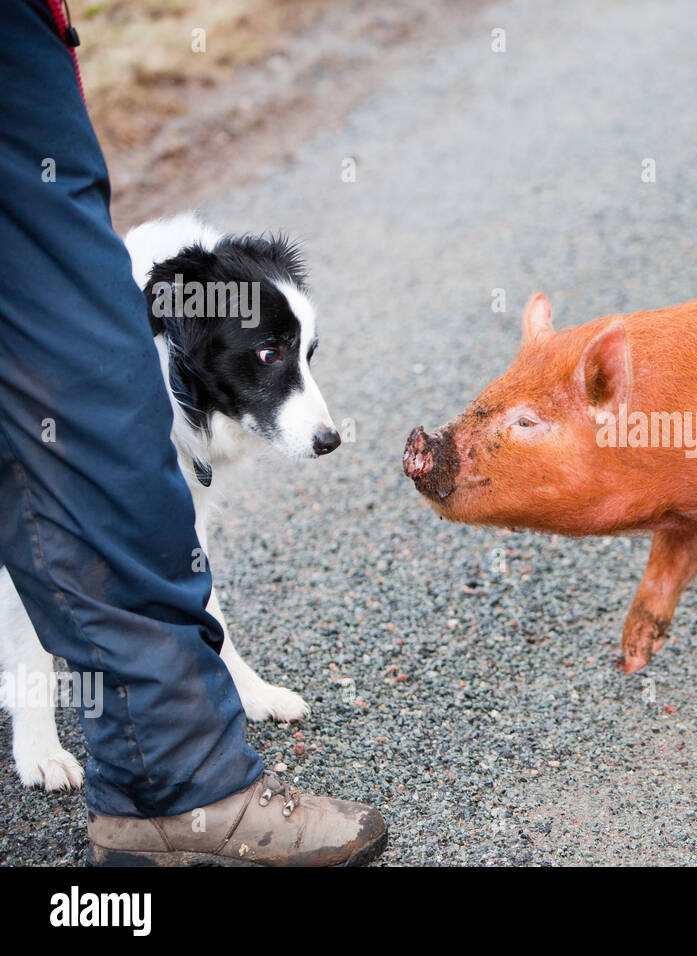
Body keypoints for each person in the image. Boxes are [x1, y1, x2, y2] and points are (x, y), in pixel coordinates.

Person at [0, 0, 386, 865]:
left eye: (304, 356)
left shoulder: (216, 298)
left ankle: (180, 747)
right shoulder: (155, 322)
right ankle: (163, 776)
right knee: (74, 466)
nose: (310, 401)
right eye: (274, 359)